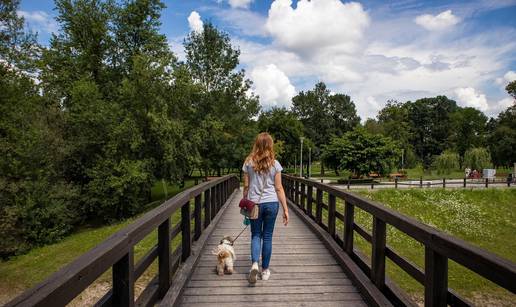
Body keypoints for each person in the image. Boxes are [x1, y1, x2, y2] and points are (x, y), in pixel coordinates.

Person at [242, 132, 289, 284]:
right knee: (267, 236)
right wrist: (285, 209)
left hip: (254, 204)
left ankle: (255, 263)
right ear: (270, 145)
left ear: (256, 144)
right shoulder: (275, 164)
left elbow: (246, 186)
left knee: (256, 235)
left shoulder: (248, 162)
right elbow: (279, 188)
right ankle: (265, 270)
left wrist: (245, 201)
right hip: (271, 204)